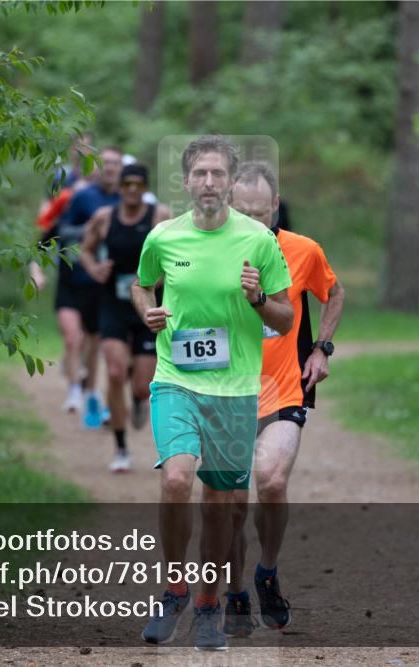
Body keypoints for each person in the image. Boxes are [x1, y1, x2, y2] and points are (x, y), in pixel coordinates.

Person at [132, 136, 293, 651]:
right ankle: (174, 588)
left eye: (217, 173)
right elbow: (142, 284)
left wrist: (258, 298)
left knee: (219, 502)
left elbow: (286, 319)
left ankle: (207, 601)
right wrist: (148, 311)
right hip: (176, 379)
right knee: (177, 478)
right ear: (185, 181)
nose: (208, 182)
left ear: (230, 181)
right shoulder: (163, 237)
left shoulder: (258, 240)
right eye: (200, 173)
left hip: (235, 389)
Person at [223, 162, 345, 637]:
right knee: (233, 503)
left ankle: (267, 572)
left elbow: (334, 294)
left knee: (271, 482)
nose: (254, 222)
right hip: (225, 392)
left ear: (276, 206)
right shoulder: (208, 252)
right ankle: (235, 593)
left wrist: (321, 348)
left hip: (284, 385)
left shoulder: (302, 250)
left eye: (262, 212)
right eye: (244, 213)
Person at [80, 164, 170, 472]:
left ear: (146, 187)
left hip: (148, 306)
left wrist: (158, 279)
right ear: (119, 187)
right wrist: (94, 269)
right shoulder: (104, 217)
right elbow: (86, 250)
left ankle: (139, 398)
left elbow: (177, 255)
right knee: (115, 372)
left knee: (144, 386)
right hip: (114, 303)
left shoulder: (160, 216)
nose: (132, 189)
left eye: (138, 184)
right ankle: (120, 448)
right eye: (127, 183)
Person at [43, 146, 123, 426]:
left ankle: (90, 391)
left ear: (121, 168)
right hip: (72, 277)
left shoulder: (126, 201)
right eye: (105, 163)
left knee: (94, 342)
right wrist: (92, 228)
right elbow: (61, 231)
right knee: (72, 339)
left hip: (100, 283)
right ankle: (75, 390)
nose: (110, 168)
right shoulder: (81, 196)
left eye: (115, 163)